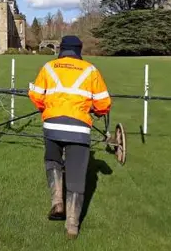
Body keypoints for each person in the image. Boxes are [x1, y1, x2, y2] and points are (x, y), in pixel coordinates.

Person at [28, 35, 111, 239]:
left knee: (52, 161)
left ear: (61, 49)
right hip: (79, 129)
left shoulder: (49, 67)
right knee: (76, 176)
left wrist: (46, 109)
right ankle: (72, 226)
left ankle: (57, 202)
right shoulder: (91, 70)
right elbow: (103, 104)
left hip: (53, 124)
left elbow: (36, 95)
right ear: (79, 51)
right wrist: (97, 112)